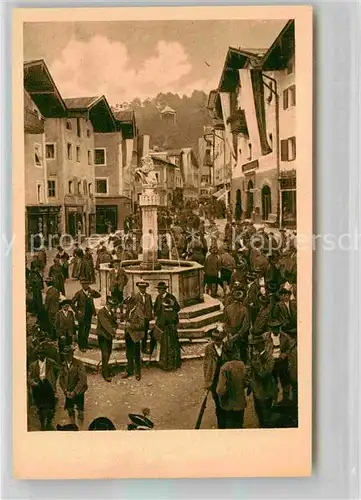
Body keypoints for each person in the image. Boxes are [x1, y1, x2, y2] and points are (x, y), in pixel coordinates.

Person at [28, 343, 59, 431]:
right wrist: (33, 383)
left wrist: (52, 379)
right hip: (38, 386)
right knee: (40, 406)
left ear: (45, 354)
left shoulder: (51, 362)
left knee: (51, 405)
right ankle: (42, 423)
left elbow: (58, 370)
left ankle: (49, 422)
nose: (41, 356)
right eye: (40, 354)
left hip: (48, 385)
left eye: (43, 354)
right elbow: (29, 377)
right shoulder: (33, 365)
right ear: (37, 355)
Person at [247, 335, 276, 428]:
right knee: (259, 412)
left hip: (266, 390)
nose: (254, 347)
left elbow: (263, 374)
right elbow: (249, 371)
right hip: (256, 390)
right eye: (253, 345)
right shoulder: (254, 357)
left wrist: (256, 364)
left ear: (262, 345)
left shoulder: (269, 357)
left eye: (256, 345)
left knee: (266, 414)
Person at [216, 345, 248, 429]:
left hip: (229, 404)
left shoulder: (224, 368)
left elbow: (220, 389)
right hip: (240, 403)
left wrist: (221, 398)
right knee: (239, 425)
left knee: (231, 427)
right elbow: (246, 381)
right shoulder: (241, 365)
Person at [203, 325, 228, 429]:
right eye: (216, 340)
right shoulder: (208, 348)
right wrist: (207, 380)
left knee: (225, 402)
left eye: (219, 340)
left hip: (225, 379)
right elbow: (205, 365)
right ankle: (221, 425)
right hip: (214, 380)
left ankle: (227, 423)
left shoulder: (227, 347)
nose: (218, 342)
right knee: (218, 404)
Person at [263, 319, 291, 403]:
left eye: (277, 328)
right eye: (274, 328)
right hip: (271, 362)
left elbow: (289, 348)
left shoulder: (285, 337)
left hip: (282, 362)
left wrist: (283, 355)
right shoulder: (265, 337)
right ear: (271, 328)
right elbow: (262, 348)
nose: (276, 330)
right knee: (272, 381)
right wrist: (268, 356)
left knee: (285, 380)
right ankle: (273, 400)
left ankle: (285, 400)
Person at [59, 345, 88, 428]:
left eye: (68, 354)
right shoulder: (63, 364)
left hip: (78, 392)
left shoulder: (79, 364)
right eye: (65, 354)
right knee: (70, 410)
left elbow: (82, 379)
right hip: (68, 392)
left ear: (72, 354)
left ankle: (81, 428)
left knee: (80, 411)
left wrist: (75, 392)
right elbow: (61, 379)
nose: (67, 356)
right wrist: (65, 390)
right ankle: (73, 427)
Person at [153, 282, 181, 369]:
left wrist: (170, 314)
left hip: (169, 324)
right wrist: (157, 317)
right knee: (160, 342)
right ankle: (160, 360)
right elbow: (155, 309)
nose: (158, 291)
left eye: (160, 289)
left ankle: (172, 362)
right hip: (160, 323)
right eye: (158, 289)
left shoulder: (171, 297)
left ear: (164, 289)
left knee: (170, 344)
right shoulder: (158, 297)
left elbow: (177, 308)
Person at [71, 279, 101, 352]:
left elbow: (98, 295)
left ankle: (86, 344)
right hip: (82, 314)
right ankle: (81, 345)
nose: (86, 286)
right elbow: (72, 303)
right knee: (81, 330)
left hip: (89, 313)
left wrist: (92, 291)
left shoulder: (90, 292)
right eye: (84, 284)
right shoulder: (79, 293)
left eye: (87, 284)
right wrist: (77, 311)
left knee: (87, 329)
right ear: (82, 285)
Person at [223, 288, 250, 363]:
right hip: (242, 336)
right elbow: (246, 325)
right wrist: (239, 335)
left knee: (231, 353)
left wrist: (229, 334)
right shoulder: (244, 309)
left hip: (231, 334)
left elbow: (225, 323)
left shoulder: (228, 308)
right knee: (243, 353)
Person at [122, 295, 146, 381]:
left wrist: (131, 325)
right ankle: (129, 370)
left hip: (136, 336)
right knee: (129, 354)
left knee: (136, 355)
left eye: (128, 304)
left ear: (133, 304)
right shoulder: (128, 310)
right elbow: (126, 319)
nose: (127, 306)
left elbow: (142, 325)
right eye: (126, 304)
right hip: (128, 335)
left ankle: (138, 373)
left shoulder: (139, 311)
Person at [96, 295, 118, 382]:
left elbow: (114, 323)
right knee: (105, 354)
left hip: (109, 336)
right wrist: (113, 332)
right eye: (111, 305)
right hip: (103, 336)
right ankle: (105, 374)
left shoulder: (111, 313)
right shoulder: (101, 312)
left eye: (112, 306)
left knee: (108, 353)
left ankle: (106, 368)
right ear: (107, 304)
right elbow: (106, 325)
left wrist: (115, 328)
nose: (112, 307)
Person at [157, 296, 181, 371]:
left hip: (166, 332)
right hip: (173, 331)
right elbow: (177, 321)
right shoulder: (174, 313)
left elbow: (161, 323)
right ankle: (175, 364)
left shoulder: (164, 314)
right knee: (174, 346)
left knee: (166, 347)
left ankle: (166, 365)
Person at [133, 281, 154, 355]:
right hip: (139, 318)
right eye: (141, 288)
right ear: (139, 288)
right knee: (139, 333)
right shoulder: (135, 296)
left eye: (144, 288)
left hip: (146, 318)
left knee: (145, 333)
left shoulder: (148, 296)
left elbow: (150, 306)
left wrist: (150, 315)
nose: (143, 289)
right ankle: (137, 349)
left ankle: (144, 348)